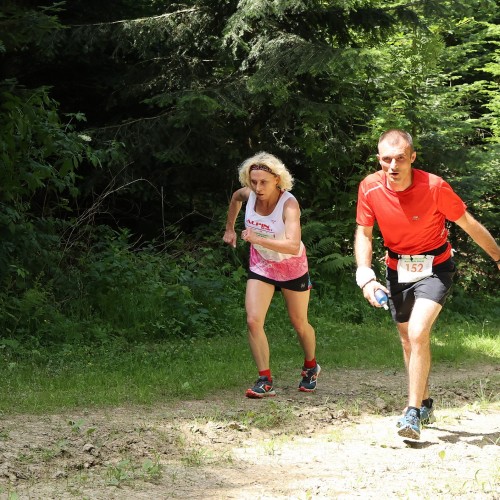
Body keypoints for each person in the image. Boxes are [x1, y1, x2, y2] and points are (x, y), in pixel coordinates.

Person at [354, 129, 500, 440]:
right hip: (396, 269)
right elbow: (364, 233)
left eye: (400, 159)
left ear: (412, 158)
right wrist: (365, 273)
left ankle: (411, 414)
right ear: (378, 159)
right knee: (408, 340)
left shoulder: (434, 187)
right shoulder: (369, 188)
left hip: (435, 266)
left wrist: (498, 257)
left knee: (420, 332)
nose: (393, 166)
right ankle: (425, 402)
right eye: (386, 160)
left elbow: (469, 224)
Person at [223, 151, 320, 398]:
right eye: (253, 182)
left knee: (299, 323)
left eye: (263, 182)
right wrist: (230, 229)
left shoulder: (289, 204)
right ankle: (265, 379)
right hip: (262, 265)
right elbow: (235, 198)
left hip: (291, 266)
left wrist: (257, 238)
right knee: (253, 320)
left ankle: (311, 367)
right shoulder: (249, 194)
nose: (257, 187)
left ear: (277, 179)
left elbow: (292, 244)